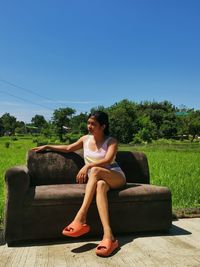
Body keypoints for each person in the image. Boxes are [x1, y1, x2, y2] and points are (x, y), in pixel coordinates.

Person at [32, 111, 126, 257]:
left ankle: (80, 217)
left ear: (103, 126)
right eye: (88, 123)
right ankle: (109, 237)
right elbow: (69, 148)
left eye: (93, 124)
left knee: (94, 170)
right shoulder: (85, 139)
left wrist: (87, 166)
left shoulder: (111, 141)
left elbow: (108, 160)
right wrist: (47, 146)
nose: (89, 126)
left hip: (115, 176)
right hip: (99, 180)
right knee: (100, 186)